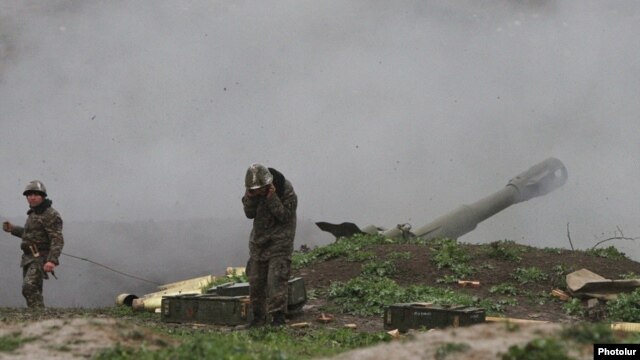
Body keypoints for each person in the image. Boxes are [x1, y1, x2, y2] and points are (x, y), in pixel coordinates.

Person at [242, 164, 297, 327]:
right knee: (255, 281)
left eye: (260, 189)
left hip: (280, 242)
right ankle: (258, 318)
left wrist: (272, 197)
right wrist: (251, 198)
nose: (258, 192)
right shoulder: (253, 191)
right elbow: (249, 214)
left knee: (276, 280)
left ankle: (277, 317)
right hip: (259, 242)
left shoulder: (285, 190)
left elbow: (284, 216)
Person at [2, 180, 64, 308]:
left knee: (28, 287)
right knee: (34, 289)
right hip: (28, 257)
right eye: (29, 195)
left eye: (36, 194)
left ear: (43, 196)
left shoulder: (50, 214)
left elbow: (57, 239)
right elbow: (30, 235)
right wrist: (13, 229)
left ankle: (39, 316)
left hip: (40, 257)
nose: (32, 197)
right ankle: (38, 317)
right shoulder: (34, 213)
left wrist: (52, 260)